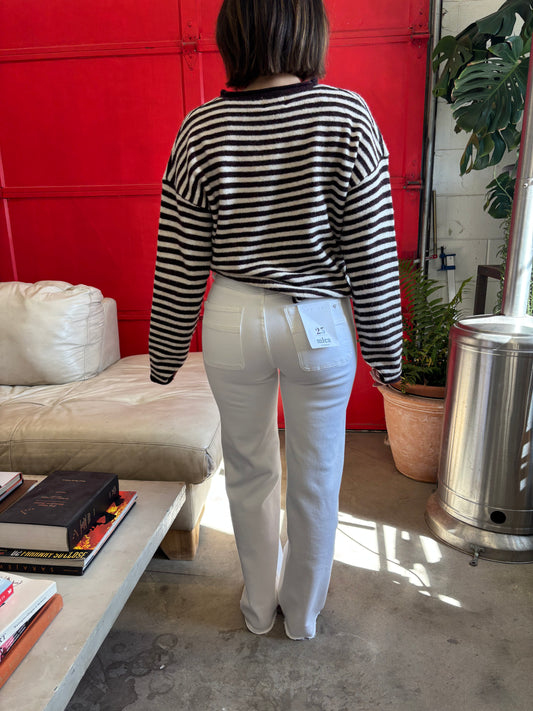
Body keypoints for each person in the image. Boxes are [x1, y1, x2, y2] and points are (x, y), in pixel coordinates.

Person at [149, 0, 403, 640]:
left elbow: (180, 254)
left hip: (233, 314)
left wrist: (165, 353)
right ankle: (303, 615)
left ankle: (258, 607)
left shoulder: (200, 128)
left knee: (249, 470)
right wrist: (387, 355)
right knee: (317, 475)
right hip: (318, 320)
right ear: (308, 31)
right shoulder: (347, 117)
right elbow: (372, 251)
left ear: (233, 34)